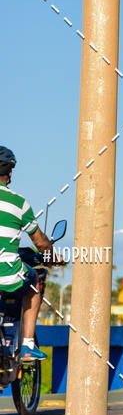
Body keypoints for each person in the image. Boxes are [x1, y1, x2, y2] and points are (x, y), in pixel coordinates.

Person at [0, 147, 61, 359]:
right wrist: (52, 257)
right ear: (9, 172)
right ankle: (27, 345)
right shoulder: (18, 203)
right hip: (6, 275)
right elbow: (40, 242)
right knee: (34, 280)